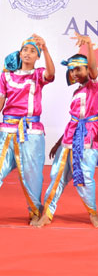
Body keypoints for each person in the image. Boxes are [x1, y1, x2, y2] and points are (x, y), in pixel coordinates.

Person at [35, 35, 98, 228]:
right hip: (69, 139)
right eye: (72, 70)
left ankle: (93, 214)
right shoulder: (77, 91)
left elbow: (94, 68)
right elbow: (73, 121)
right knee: (56, 176)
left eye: (78, 69)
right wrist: (59, 143)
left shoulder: (95, 85)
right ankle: (47, 213)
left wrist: (89, 45)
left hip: (87, 138)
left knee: (85, 177)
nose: (74, 73)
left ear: (87, 70)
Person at [0, 35, 55, 224]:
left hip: (31, 132)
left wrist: (45, 48)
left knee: (32, 174)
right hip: (7, 130)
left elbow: (51, 73)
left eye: (33, 51)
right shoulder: (6, 76)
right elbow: (1, 101)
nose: (28, 53)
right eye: (25, 50)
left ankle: (35, 211)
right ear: (20, 53)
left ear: (38, 56)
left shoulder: (38, 75)